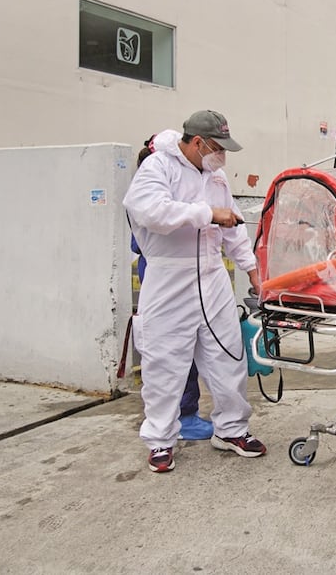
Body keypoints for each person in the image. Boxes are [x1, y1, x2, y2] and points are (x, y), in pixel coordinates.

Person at [123, 110, 265, 473]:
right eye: (218, 148)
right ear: (198, 142)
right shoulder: (159, 167)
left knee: (228, 353)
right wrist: (207, 214)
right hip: (170, 277)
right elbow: (149, 211)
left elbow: (233, 228)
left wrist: (252, 271)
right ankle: (160, 440)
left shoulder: (215, 177)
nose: (223, 157)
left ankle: (231, 428)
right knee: (165, 362)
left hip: (212, 275)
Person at [130, 136, 213, 442]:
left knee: (187, 348)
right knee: (169, 353)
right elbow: (155, 228)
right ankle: (179, 416)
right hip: (164, 278)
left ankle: (182, 413)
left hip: (180, 276)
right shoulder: (151, 192)